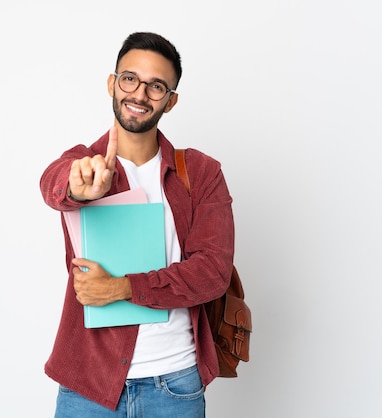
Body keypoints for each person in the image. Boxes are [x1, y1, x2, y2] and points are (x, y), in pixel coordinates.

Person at [39, 32, 235, 417]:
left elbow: (213, 273)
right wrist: (77, 188)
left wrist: (122, 287)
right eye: (130, 79)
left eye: (156, 86)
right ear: (112, 83)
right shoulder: (83, 162)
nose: (140, 94)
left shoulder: (201, 172)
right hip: (88, 387)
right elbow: (53, 185)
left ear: (171, 100)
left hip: (175, 384)